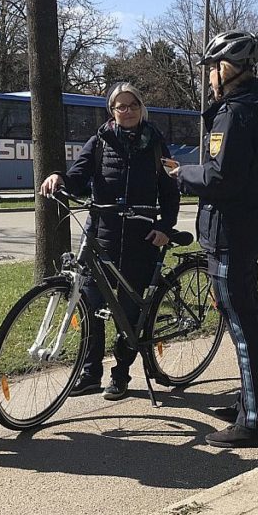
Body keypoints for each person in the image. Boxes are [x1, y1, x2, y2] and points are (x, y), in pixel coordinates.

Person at [170, 30, 258, 448]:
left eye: (212, 70)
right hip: (247, 229)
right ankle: (248, 403)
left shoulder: (234, 113)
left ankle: (254, 422)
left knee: (242, 326)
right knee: (243, 322)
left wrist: (182, 174)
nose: (209, 78)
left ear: (228, 70)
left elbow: (222, 176)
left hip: (231, 233)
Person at [39, 82, 180, 400]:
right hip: (101, 234)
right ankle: (90, 374)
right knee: (90, 307)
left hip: (140, 238)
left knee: (128, 313)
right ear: (111, 111)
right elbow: (78, 177)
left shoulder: (156, 144)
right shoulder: (100, 141)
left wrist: (165, 228)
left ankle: (121, 375)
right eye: (120, 106)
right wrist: (59, 177)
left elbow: (170, 193)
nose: (126, 111)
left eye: (132, 105)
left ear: (141, 108)